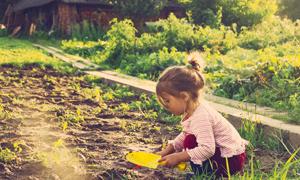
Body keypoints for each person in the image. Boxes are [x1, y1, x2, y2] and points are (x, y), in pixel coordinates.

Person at [156, 51, 248, 178]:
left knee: (191, 142)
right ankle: (204, 173)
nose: (165, 105)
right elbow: (186, 133)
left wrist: (178, 156)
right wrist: (168, 150)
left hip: (229, 160)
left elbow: (207, 149)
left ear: (184, 96)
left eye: (167, 100)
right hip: (225, 155)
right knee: (189, 138)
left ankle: (208, 175)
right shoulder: (194, 110)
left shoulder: (201, 116)